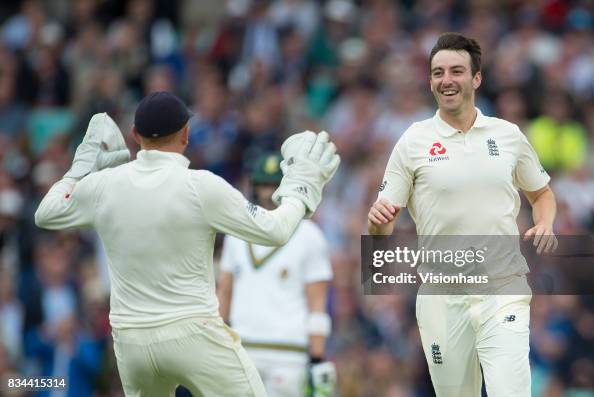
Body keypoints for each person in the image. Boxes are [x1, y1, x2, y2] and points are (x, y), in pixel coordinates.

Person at [34, 91, 340, 397]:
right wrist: (301, 187)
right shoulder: (200, 186)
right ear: (186, 135)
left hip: (132, 342)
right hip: (193, 334)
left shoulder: (103, 185)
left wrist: (79, 169)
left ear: (135, 135)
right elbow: (275, 231)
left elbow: (45, 214)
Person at [367, 33, 557, 397]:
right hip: (441, 297)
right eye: (438, 73)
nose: (446, 80)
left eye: (456, 71)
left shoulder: (508, 136)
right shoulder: (413, 141)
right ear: (430, 81)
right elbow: (382, 228)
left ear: (476, 78)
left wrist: (544, 222)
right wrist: (377, 220)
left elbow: (542, 193)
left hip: (503, 288)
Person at [218, 152, 335, 397]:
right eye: (263, 185)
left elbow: (317, 304)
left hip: (289, 352)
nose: (268, 192)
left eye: (273, 185)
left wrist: (317, 357)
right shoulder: (235, 234)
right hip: (242, 348)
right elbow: (224, 296)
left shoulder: (308, 234)